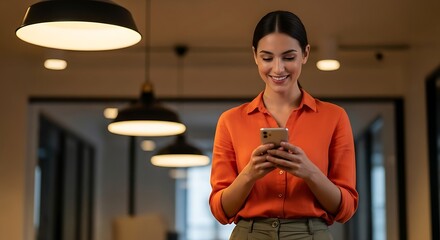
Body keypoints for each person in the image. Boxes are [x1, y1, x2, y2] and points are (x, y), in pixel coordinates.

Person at [209, 10, 358, 240]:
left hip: (311, 234)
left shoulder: (334, 117)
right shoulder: (230, 121)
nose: (278, 69)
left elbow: (346, 209)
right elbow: (221, 211)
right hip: (249, 234)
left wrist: (309, 173)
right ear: (255, 56)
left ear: (305, 53)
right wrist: (249, 174)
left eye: (288, 57)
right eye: (267, 58)